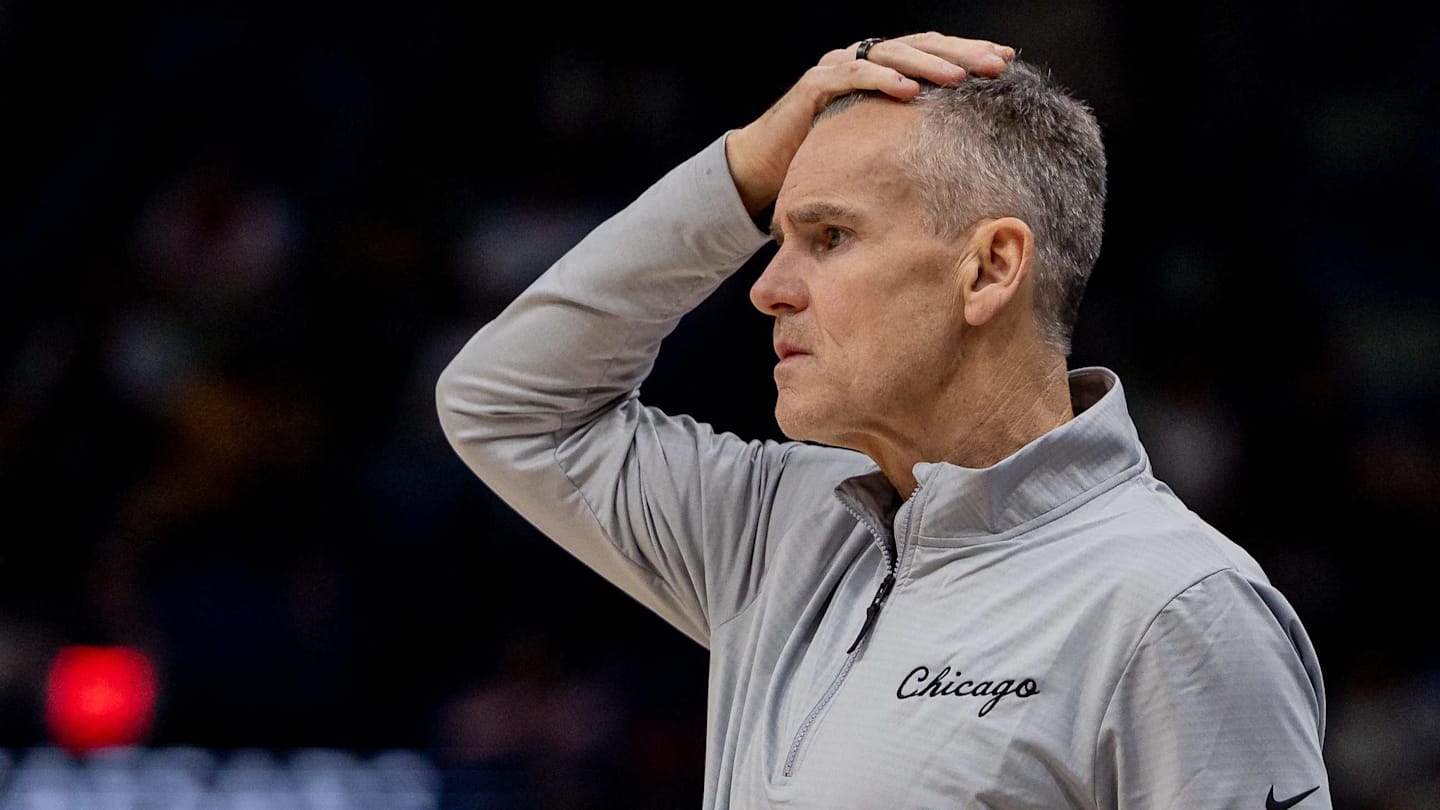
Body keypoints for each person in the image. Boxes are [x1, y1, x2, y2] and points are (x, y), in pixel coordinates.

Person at [436, 31, 1331, 809]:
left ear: (989, 269)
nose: (765, 287)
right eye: (775, 236)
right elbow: (505, 405)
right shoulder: (777, 526)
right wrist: (740, 172)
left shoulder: (1178, 608)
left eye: (829, 237)